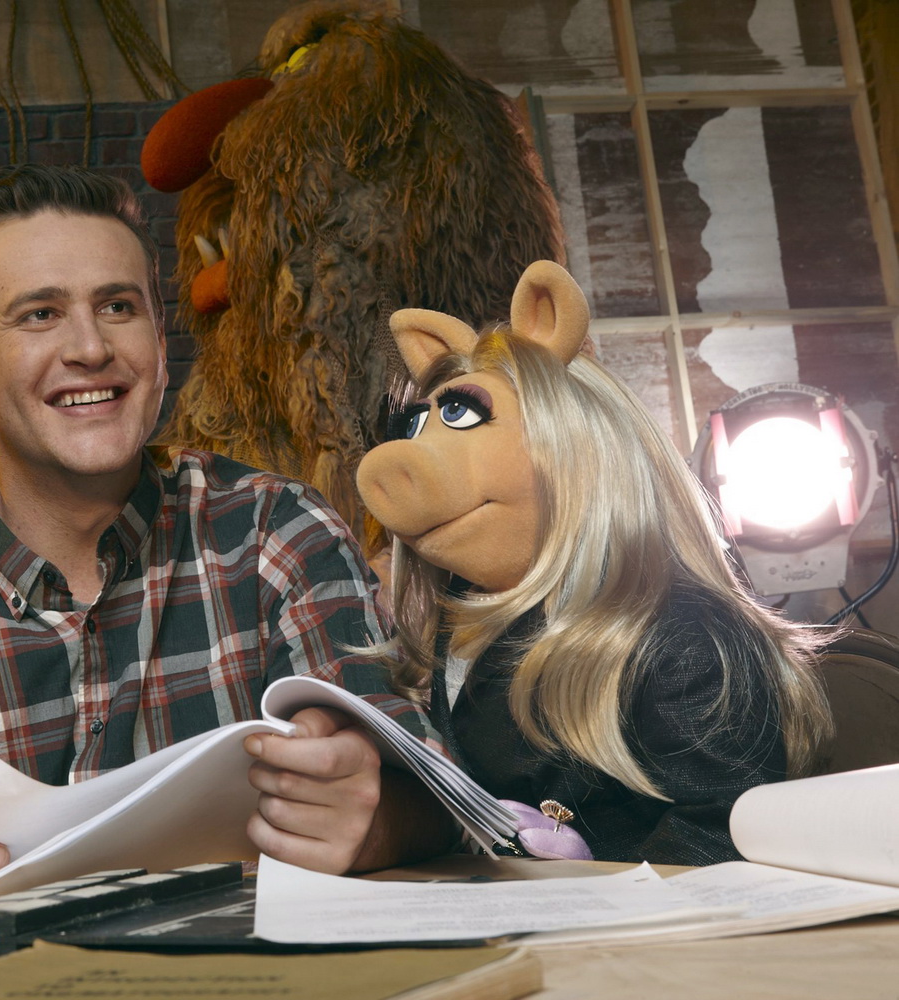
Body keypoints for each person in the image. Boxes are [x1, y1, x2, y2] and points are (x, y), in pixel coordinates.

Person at [0, 163, 455, 912]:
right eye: (39, 314)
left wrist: (371, 822)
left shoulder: (275, 533)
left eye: (117, 306)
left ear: (159, 342)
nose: (90, 347)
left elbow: (437, 801)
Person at [355, 260, 834, 866]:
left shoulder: (685, 636)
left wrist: (597, 889)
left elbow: (725, 831)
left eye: (463, 415)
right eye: (419, 425)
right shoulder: (460, 629)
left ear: (580, 449)